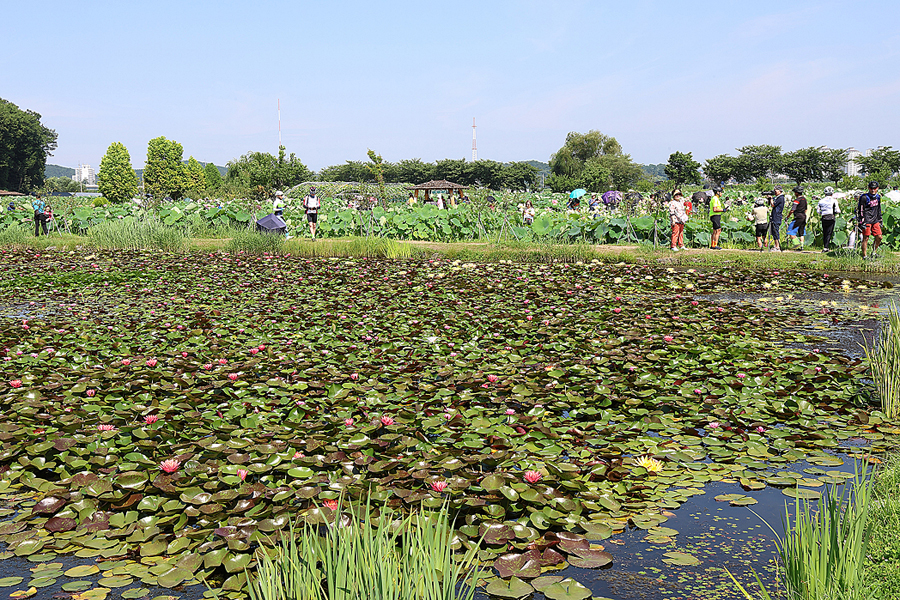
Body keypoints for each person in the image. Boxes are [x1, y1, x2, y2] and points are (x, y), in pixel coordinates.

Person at [857, 181, 884, 259]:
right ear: (868, 188)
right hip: (866, 220)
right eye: (871, 188)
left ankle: (874, 252)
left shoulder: (878, 197)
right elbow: (860, 209)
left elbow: (879, 208)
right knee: (866, 238)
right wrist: (862, 221)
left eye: (874, 188)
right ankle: (864, 256)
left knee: (879, 237)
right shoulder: (864, 197)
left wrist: (880, 219)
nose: (873, 190)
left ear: (877, 188)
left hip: (875, 219)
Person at [816, 186, 840, 252]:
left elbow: (818, 211)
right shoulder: (834, 201)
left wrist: (823, 213)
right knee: (829, 232)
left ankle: (825, 247)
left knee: (825, 232)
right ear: (832, 193)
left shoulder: (821, 201)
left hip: (824, 217)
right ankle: (826, 247)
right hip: (831, 218)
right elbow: (838, 210)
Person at [785, 186, 808, 250]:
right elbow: (806, 209)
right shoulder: (804, 199)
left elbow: (793, 210)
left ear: (797, 193)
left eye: (795, 192)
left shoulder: (796, 200)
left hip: (798, 217)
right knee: (801, 233)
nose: (794, 193)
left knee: (790, 231)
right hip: (803, 217)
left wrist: (788, 216)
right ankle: (801, 247)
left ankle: (796, 244)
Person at [768, 186, 785, 252]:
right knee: (773, 231)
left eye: (776, 190)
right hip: (774, 216)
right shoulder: (778, 197)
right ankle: (775, 245)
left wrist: (771, 199)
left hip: (776, 217)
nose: (774, 192)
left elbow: (773, 205)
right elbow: (770, 204)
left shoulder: (781, 198)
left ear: (780, 191)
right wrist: (769, 199)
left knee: (775, 231)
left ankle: (777, 247)